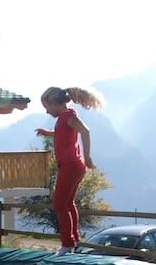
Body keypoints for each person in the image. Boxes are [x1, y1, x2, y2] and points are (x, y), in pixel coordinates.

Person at [35, 86, 105, 256]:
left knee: (59, 203)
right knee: (68, 202)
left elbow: (85, 131)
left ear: (54, 103)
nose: (46, 112)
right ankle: (75, 240)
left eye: (46, 107)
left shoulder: (69, 116)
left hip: (71, 164)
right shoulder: (63, 118)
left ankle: (67, 242)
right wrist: (49, 133)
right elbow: (63, 133)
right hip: (72, 165)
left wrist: (87, 156)